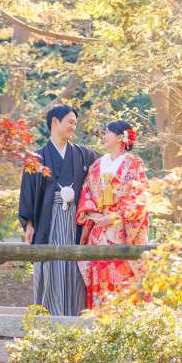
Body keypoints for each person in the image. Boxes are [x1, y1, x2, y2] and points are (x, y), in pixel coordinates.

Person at [18, 105, 101, 316]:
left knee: (75, 268)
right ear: (55, 122)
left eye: (75, 123)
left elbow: (108, 166)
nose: (74, 126)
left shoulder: (84, 154)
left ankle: (75, 318)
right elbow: (27, 191)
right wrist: (29, 224)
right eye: (70, 122)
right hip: (48, 219)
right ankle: (48, 318)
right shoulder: (35, 158)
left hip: (76, 220)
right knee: (50, 266)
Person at [75, 120, 150, 310]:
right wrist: (93, 214)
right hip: (99, 229)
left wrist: (117, 215)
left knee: (124, 277)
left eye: (108, 132)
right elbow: (86, 192)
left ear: (120, 137)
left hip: (122, 231)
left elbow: (141, 196)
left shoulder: (133, 164)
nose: (104, 136)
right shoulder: (97, 164)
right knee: (99, 278)